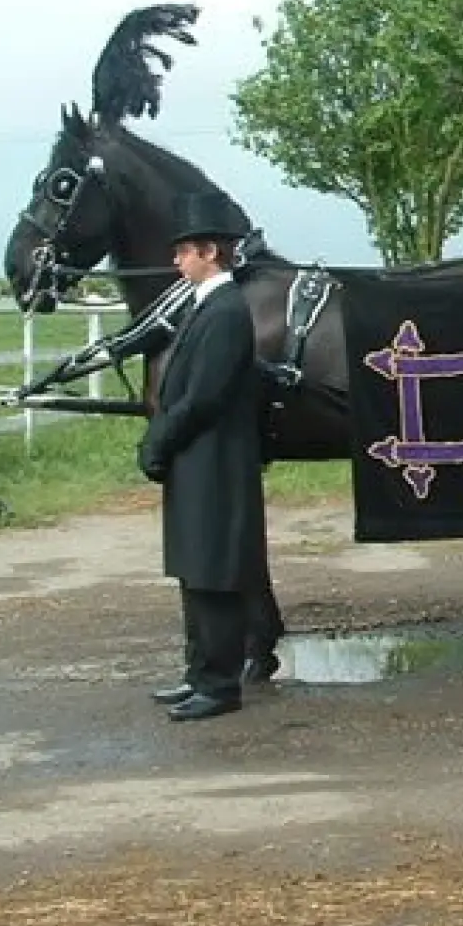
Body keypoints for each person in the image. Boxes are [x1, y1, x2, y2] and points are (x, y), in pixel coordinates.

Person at [139, 192, 270, 722]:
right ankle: (199, 673)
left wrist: (159, 438)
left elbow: (204, 397)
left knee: (214, 569)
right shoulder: (206, 306)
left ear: (209, 252)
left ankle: (220, 684)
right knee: (195, 567)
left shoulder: (225, 312)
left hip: (215, 461)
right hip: (197, 462)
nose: (176, 261)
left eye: (183, 252)